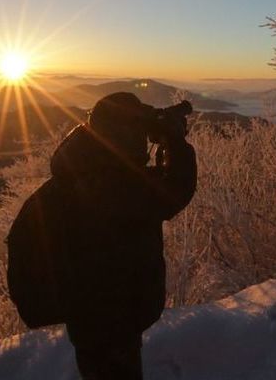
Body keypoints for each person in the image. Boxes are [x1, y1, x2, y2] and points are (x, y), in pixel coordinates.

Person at [48, 92, 197, 379]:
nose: (142, 138)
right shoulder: (109, 184)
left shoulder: (83, 165)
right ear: (122, 134)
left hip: (92, 313)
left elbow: (140, 188)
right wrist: (175, 141)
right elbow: (173, 192)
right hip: (110, 316)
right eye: (137, 131)